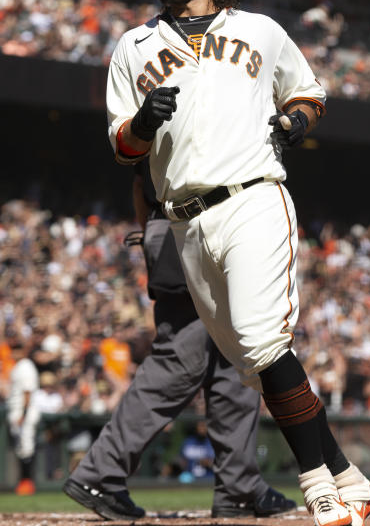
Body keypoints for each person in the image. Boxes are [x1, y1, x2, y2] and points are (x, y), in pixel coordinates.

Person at [104, 0, 370, 526]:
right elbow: (120, 144)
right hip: (184, 223)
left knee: (260, 341)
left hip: (253, 196)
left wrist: (297, 121)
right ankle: (347, 474)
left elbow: (310, 92)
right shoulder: (134, 46)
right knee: (255, 367)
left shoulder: (259, 31)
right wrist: (143, 125)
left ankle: (320, 492)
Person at [64, 163, 295, 519]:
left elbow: (139, 182)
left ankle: (239, 487)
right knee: (180, 360)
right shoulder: (206, 114)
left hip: (175, 225)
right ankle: (101, 471)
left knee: (236, 363)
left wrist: (152, 233)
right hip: (200, 226)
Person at [7, 337, 40, 495]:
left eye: (17, 349)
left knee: (26, 448)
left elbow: (28, 392)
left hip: (24, 413)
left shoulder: (25, 366)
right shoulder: (19, 366)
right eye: (13, 349)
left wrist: (24, 414)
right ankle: (24, 482)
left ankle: (28, 483)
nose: (14, 353)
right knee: (21, 449)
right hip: (18, 411)